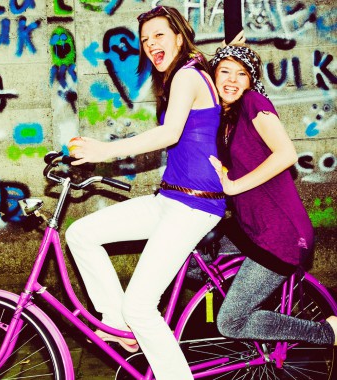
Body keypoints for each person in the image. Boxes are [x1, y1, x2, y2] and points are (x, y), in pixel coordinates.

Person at [66, 6, 228, 379]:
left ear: (178, 36)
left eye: (158, 35)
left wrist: (104, 151)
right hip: (169, 200)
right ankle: (115, 322)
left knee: (141, 306)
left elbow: (169, 134)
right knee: (80, 233)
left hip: (196, 205)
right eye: (145, 39)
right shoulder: (174, 81)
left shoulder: (188, 76)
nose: (151, 44)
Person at [209, 45, 337, 346]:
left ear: (251, 82)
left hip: (281, 236)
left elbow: (286, 153)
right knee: (190, 257)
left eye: (242, 74)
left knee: (231, 322)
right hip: (249, 227)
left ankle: (326, 332)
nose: (232, 80)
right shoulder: (226, 119)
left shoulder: (253, 102)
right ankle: (254, 303)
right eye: (224, 71)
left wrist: (233, 186)